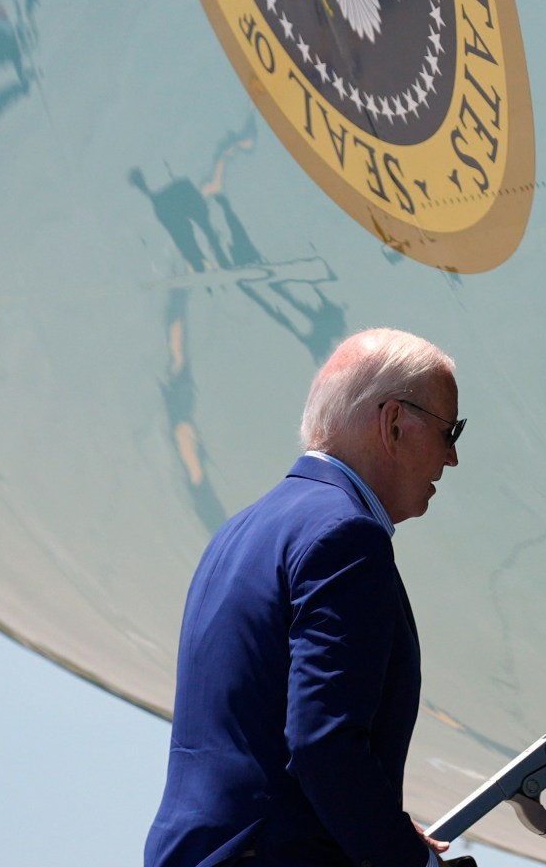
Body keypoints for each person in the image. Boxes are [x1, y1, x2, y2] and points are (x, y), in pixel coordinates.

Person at [145, 329, 464, 867]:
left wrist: (380, 823)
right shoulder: (348, 537)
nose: (452, 457)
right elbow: (324, 744)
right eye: (449, 431)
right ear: (392, 424)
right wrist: (411, 860)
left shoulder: (240, 531)